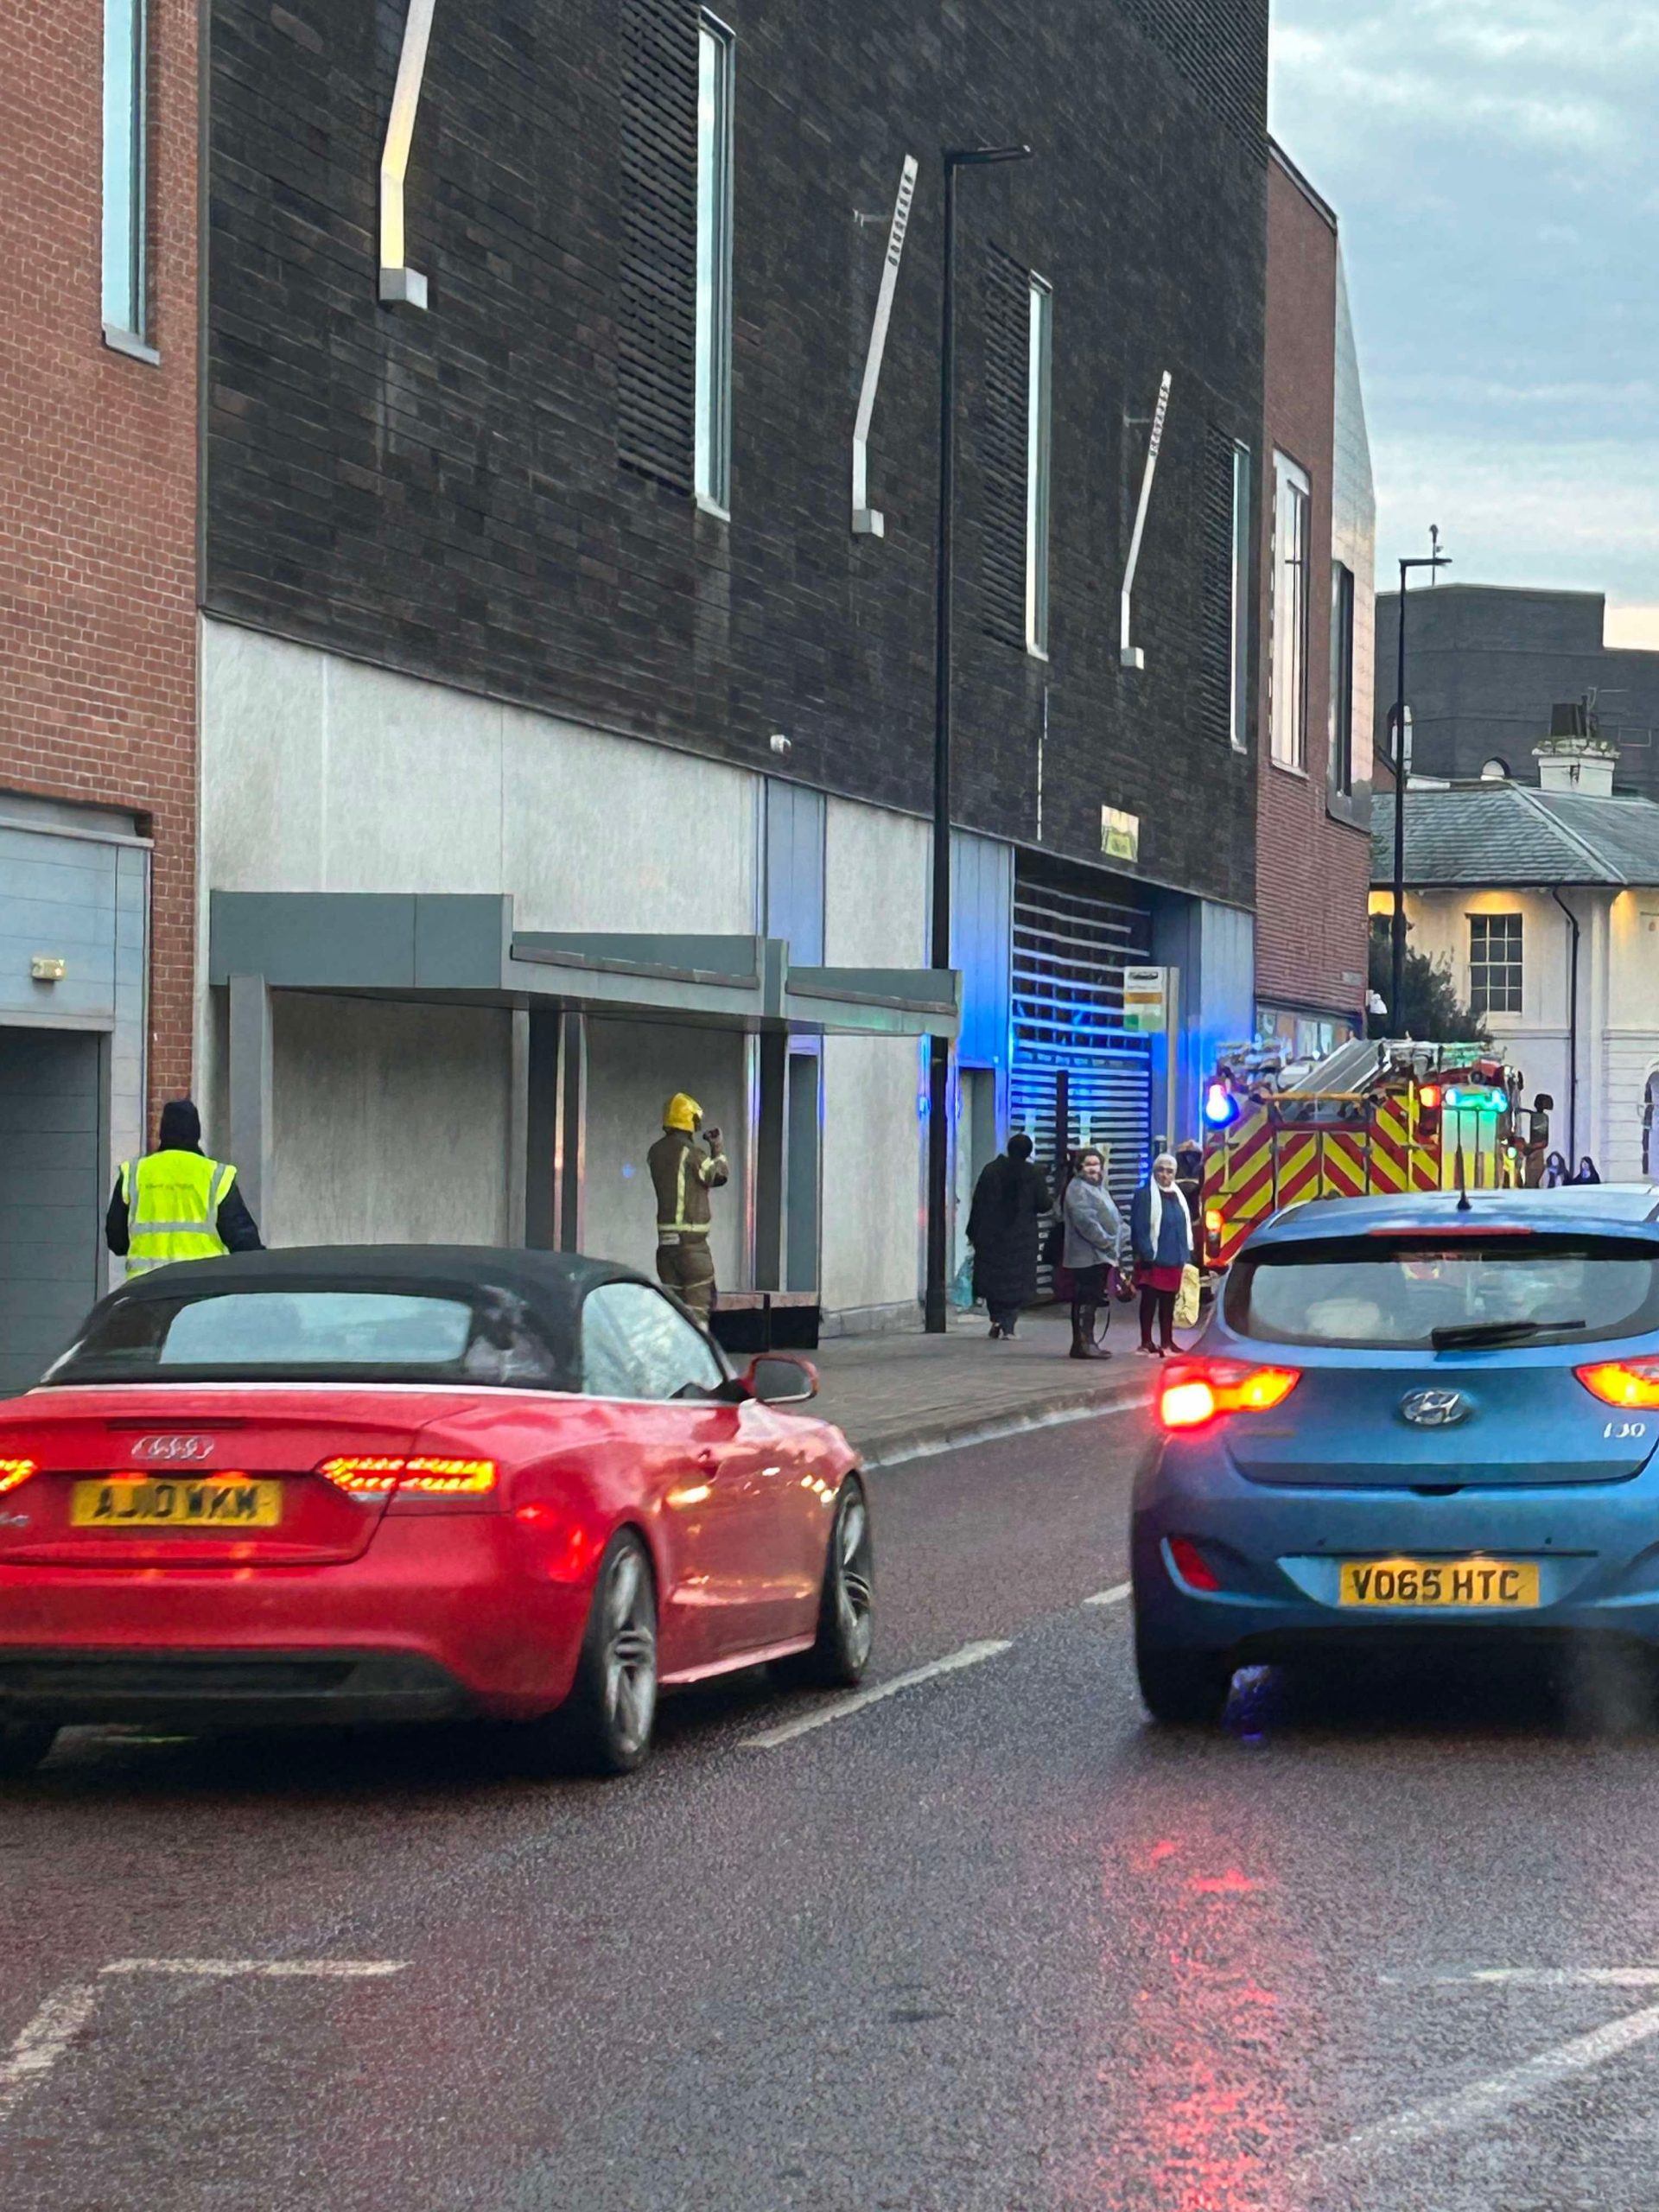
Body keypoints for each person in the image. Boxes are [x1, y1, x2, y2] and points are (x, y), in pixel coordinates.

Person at [105, 1098, 263, 1275]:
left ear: (162, 1132)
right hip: (198, 1291)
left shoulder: (135, 1173)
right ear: (197, 1133)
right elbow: (244, 1242)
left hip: (146, 1292)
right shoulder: (215, 1176)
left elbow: (116, 1242)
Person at [647, 1093, 729, 1326]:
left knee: (674, 1315)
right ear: (689, 1121)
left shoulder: (655, 1152)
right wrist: (718, 1149)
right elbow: (719, 1175)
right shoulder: (690, 1153)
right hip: (692, 1247)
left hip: (665, 1247)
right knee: (698, 1314)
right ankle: (698, 1359)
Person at [967, 1134, 1052, 1341]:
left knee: (994, 1279)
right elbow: (1044, 1204)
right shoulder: (1032, 1174)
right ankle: (1009, 1325)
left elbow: (978, 1202)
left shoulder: (991, 1170)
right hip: (1021, 1237)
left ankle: (996, 1318)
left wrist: (973, 1232)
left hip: (991, 1236)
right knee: (1017, 1281)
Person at [1062, 1147, 1125, 1362]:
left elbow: (1113, 1215)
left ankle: (1089, 1341)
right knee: (1085, 1299)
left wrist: (1122, 1234)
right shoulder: (1078, 1189)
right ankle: (1082, 1343)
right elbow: (1085, 1221)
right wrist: (1106, 1242)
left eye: (1096, 1164)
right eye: (1088, 1164)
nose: (1093, 1168)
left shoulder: (1098, 1188)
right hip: (1087, 1256)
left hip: (1101, 1256)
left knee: (1092, 1298)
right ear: (1079, 1167)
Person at [1131, 1151, 1193, 1357]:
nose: (1165, 1175)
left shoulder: (1178, 1195)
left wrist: (1186, 1254)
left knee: (1169, 1301)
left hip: (1174, 1257)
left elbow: (1183, 1226)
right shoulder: (1145, 1195)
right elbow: (1139, 1227)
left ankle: (1167, 1340)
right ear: (1154, 1172)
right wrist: (1146, 1254)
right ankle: (1146, 1340)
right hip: (1154, 1257)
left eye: (1169, 1171)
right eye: (1161, 1170)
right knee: (1150, 1300)